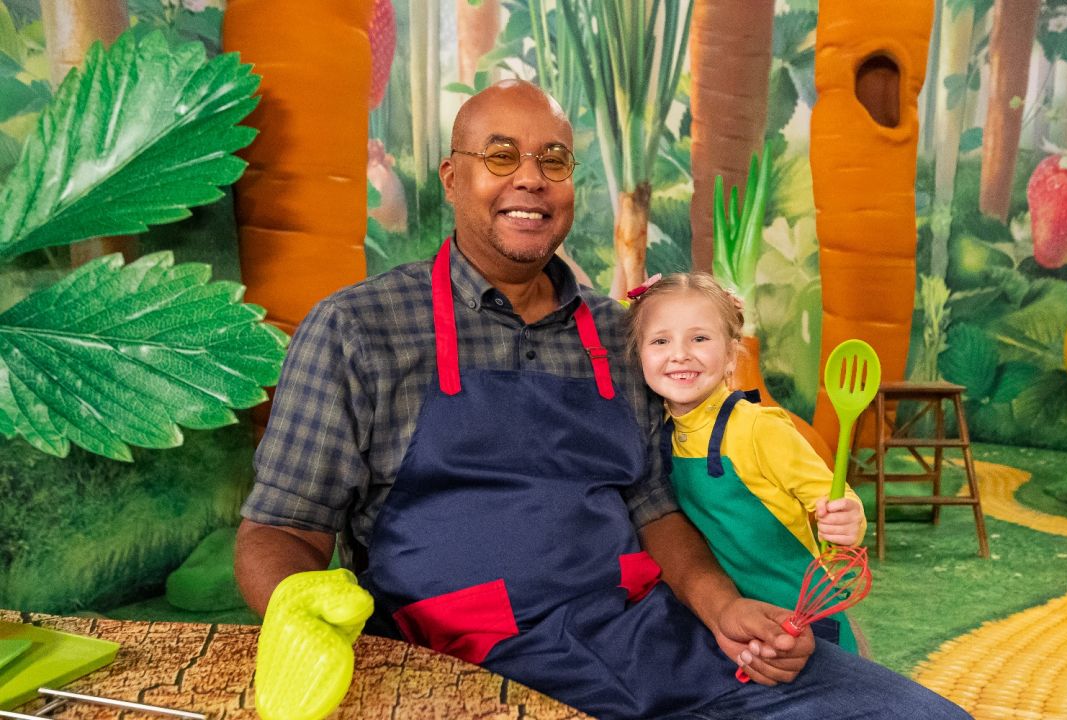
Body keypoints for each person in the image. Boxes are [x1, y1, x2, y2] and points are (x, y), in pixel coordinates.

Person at [235, 79, 971, 720]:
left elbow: (654, 508)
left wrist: (724, 610)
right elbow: (281, 529)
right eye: (501, 156)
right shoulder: (359, 330)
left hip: (646, 639)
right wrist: (313, 627)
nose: (531, 179)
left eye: (553, 160)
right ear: (452, 178)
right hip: (459, 661)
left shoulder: (625, 338)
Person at [626, 272, 866, 653]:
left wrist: (848, 517)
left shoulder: (760, 428)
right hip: (734, 621)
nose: (680, 353)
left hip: (803, 613)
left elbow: (833, 496)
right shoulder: (659, 431)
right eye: (660, 340)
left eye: (699, 338)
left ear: (730, 354)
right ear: (638, 354)